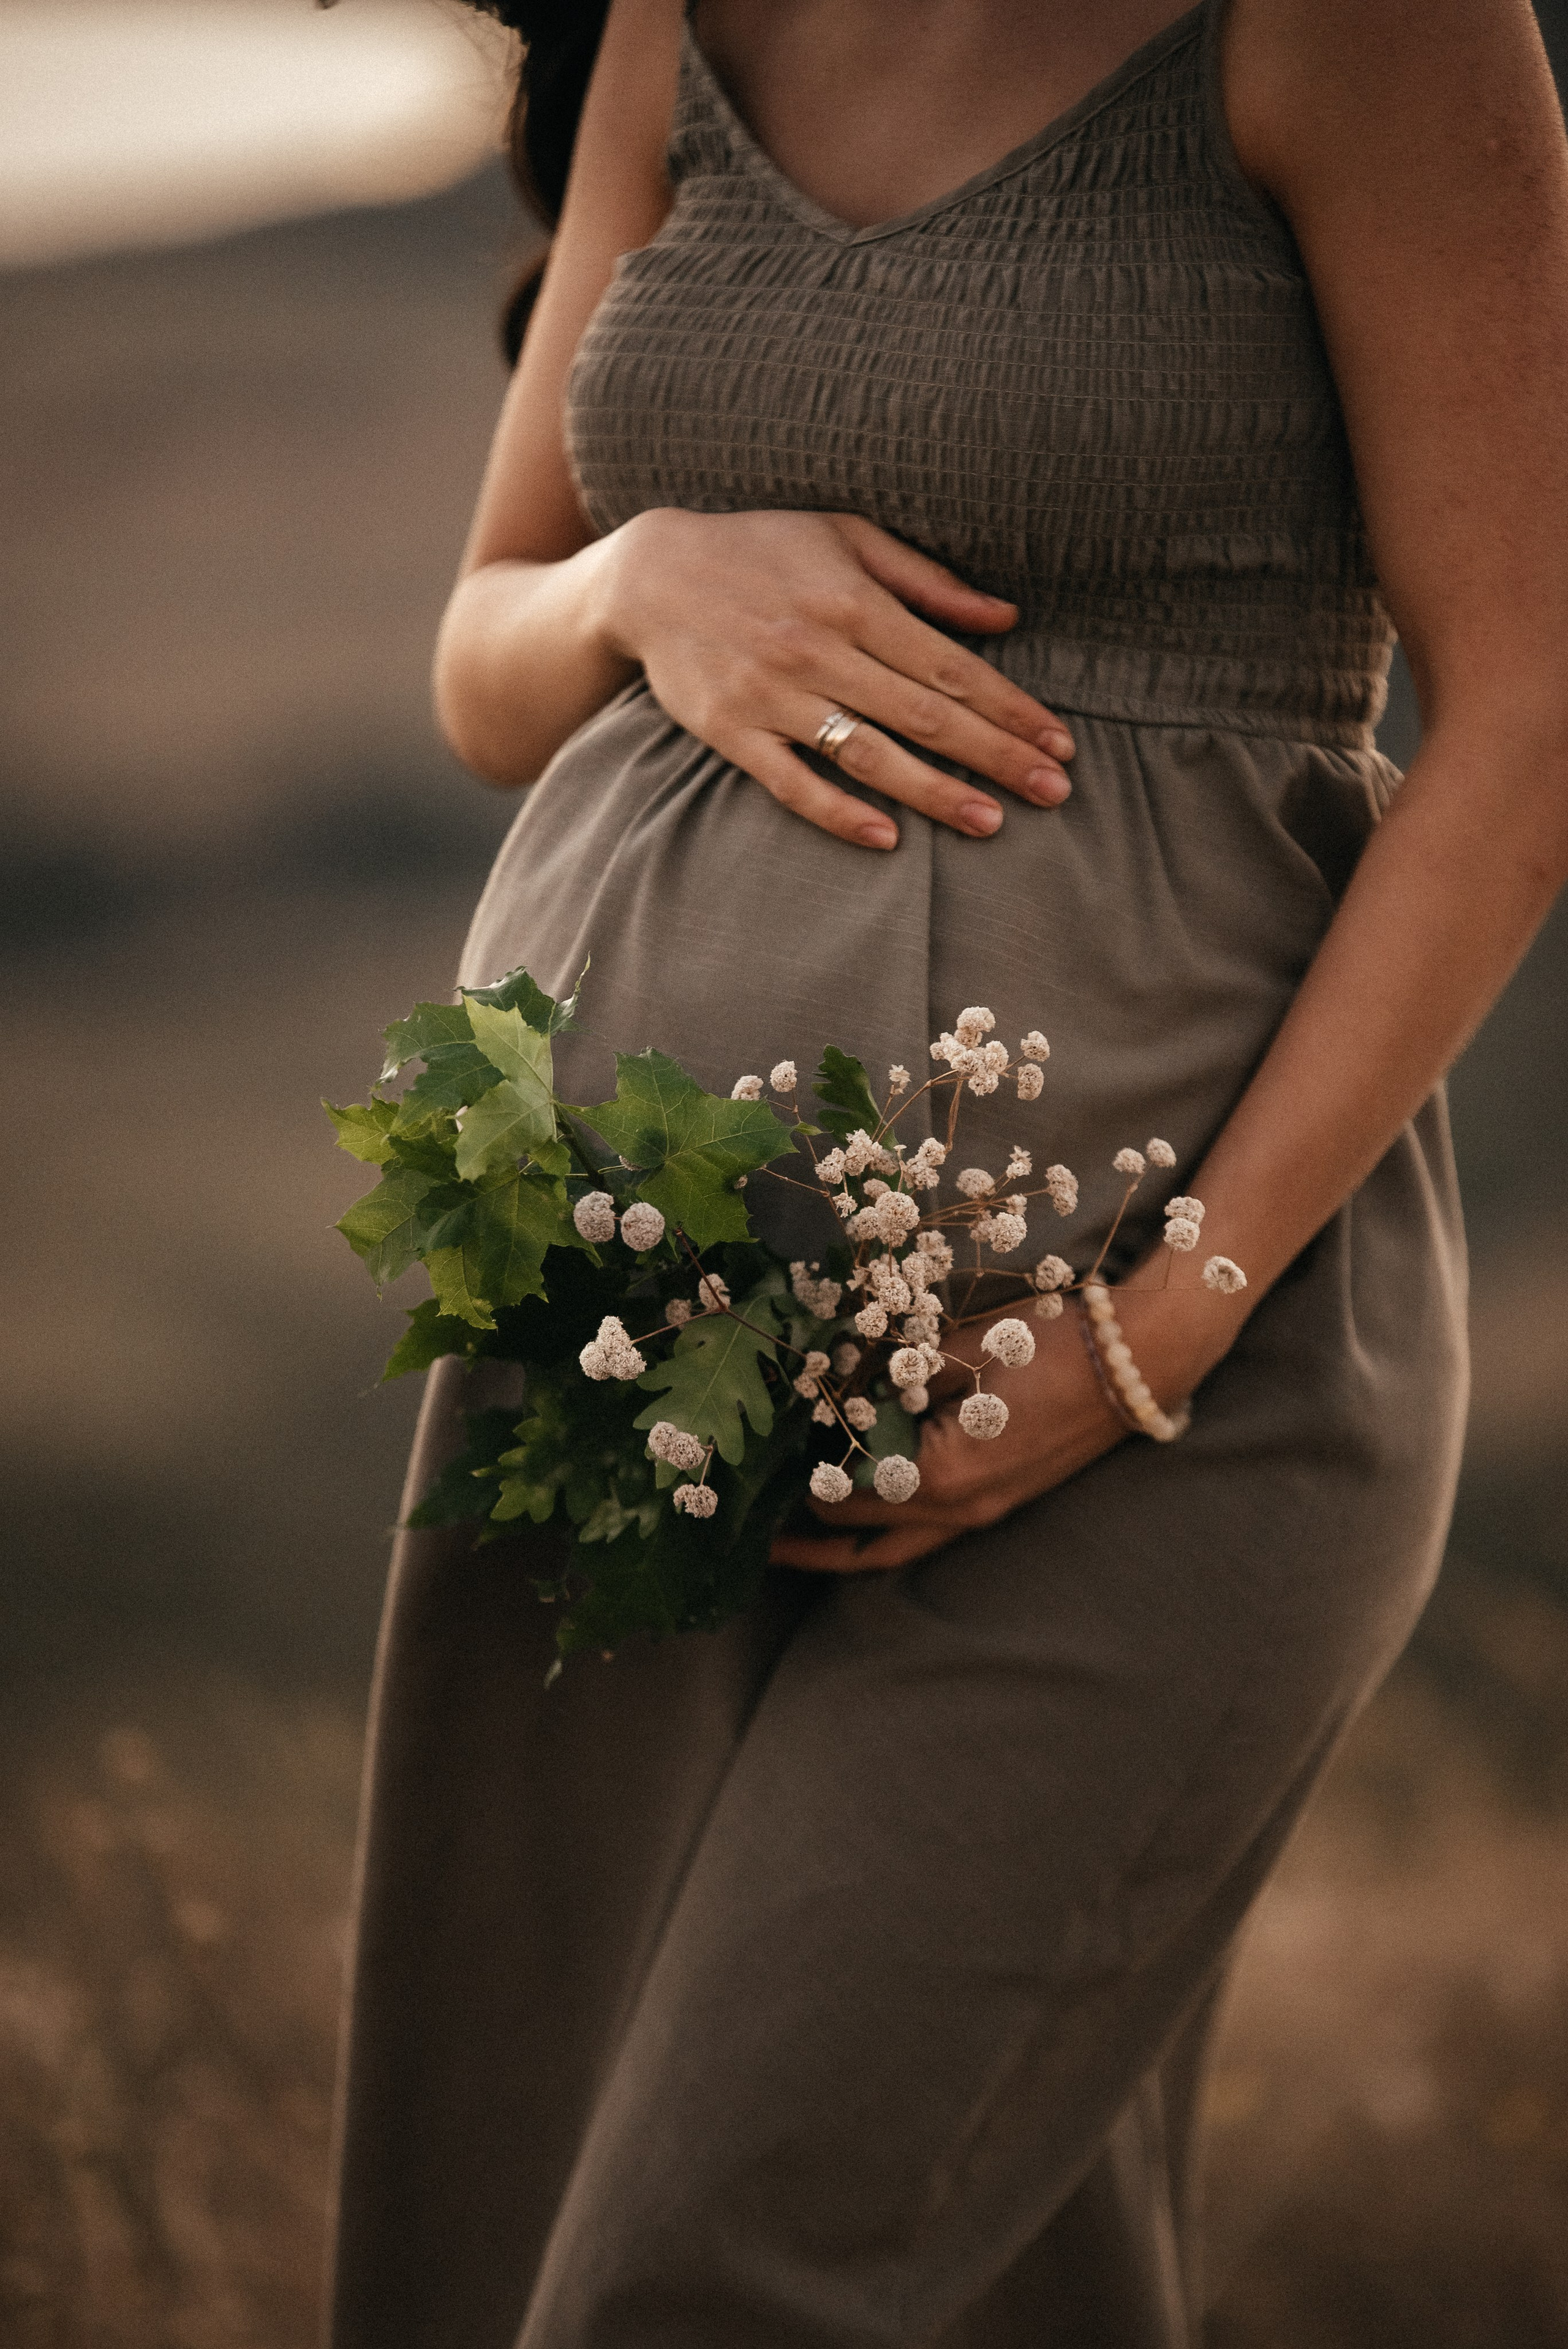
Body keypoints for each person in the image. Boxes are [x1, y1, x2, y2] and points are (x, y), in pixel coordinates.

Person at [326, 2, 1568, 2342]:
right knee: (545, 2233)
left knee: (707, 2281)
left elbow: (1532, 714)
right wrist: (640, 580)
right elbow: (486, 662)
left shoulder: (1364, 30)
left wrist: (1151, 1324)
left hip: (1160, 1369)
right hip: (614, 1352)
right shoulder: (672, 38)